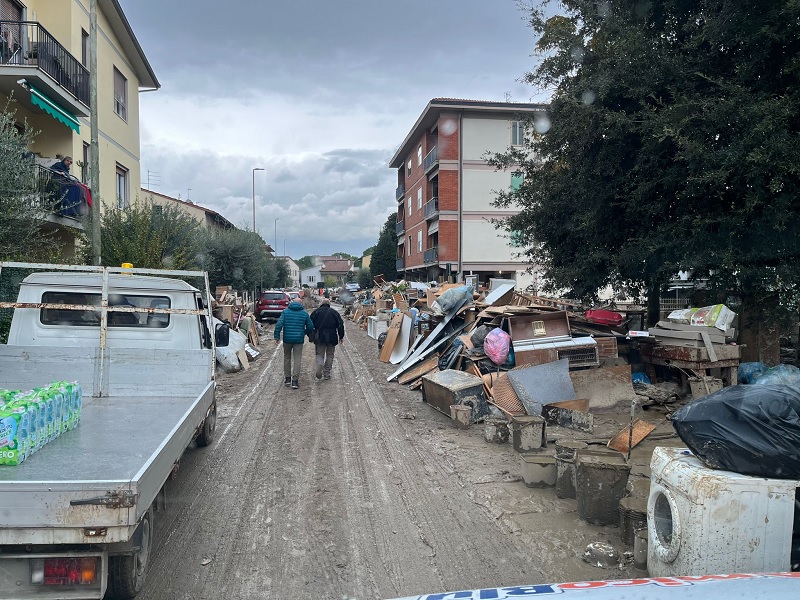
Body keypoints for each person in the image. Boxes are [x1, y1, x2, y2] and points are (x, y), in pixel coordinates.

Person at [274, 299, 314, 390]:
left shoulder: (285, 312)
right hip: (298, 340)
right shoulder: (304, 313)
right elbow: (311, 327)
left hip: (287, 339)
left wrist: (277, 337)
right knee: (297, 359)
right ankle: (295, 381)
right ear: (301, 303)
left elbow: (279, 324)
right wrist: (304, 332)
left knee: (287, 358)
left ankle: (287, 379)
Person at [309, 298, 344, 381]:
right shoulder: (334, 313)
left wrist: (310, 335)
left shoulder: (316, 312)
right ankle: (326, 373)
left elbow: (310, 324)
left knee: (319, 354)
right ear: (329, 304)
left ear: (321, 303)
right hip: (332, 337)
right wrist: (341, 336)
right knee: (330, 355)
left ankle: (320, 365)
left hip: (319, 336)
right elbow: (340, 325)